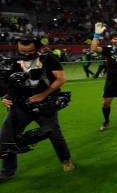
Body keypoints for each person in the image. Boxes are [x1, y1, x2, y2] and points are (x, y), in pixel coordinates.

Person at [0, 36, 74, 183]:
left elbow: (61, 79)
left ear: (38, 48)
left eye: (30, 51)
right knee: (6, 137)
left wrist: (42, 95)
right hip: (20, 106)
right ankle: (8, 171)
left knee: (54, 134)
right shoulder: (13, 62)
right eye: (22, 51)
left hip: (44, 105)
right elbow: (8, 85)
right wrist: (5, 98)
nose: (26, 54)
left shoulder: (48, 59)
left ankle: (66, 161)